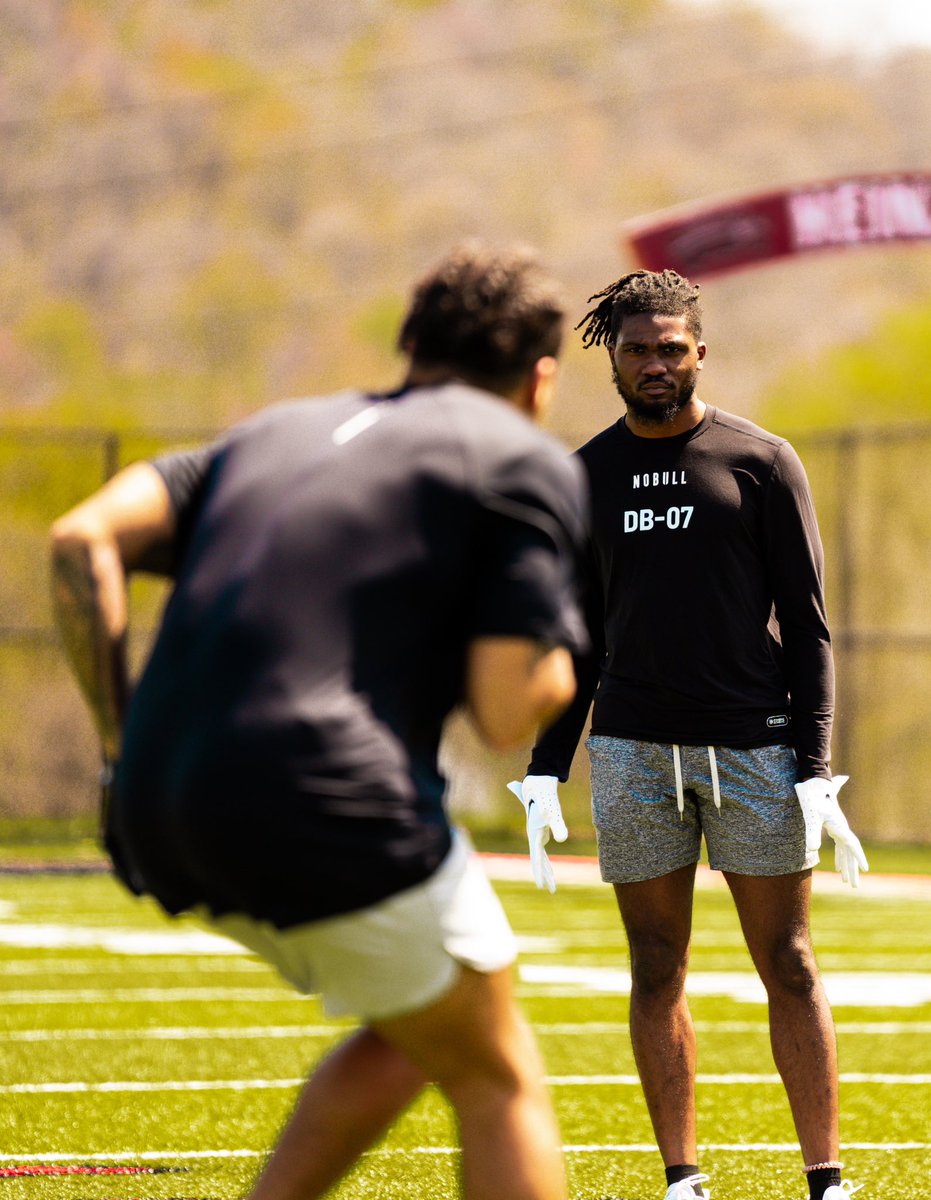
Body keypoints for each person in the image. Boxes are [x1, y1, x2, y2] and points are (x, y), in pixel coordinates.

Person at [49, 242, 591, 1200]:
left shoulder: (272, 433)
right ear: (540, 380)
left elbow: (82, 538)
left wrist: (120, 744)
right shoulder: (517, 456)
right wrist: (564, 660)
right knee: (497, 1074)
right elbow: (509, 712)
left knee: (417, 1024)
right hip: (325, 794)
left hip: (151, 803)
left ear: (411, 342)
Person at [511, 269, 868, 1200]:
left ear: (700, 352)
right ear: (613, 359)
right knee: (654, 963)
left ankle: (825, 1178)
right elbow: (576, 638)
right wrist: (547, 767)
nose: (657, 363)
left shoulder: (761, 459)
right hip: (631, 751)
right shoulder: (583, 475)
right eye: (638, 349)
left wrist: (816, 769)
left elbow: (810, 626)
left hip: (753, 744)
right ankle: (682, 1176)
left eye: (672, 348)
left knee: (787, 960)